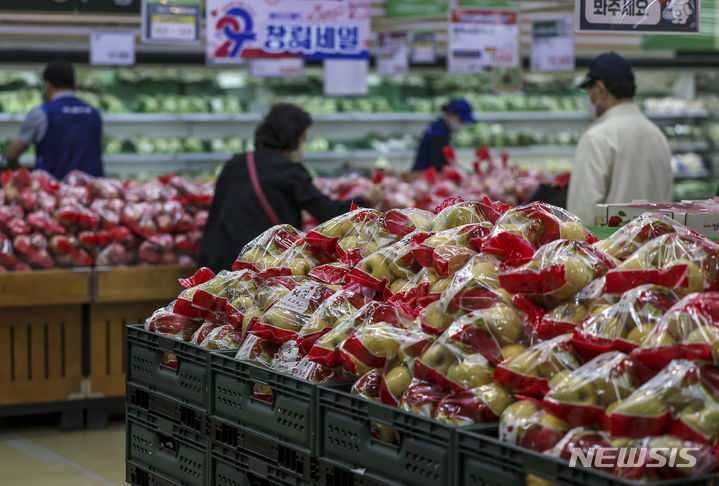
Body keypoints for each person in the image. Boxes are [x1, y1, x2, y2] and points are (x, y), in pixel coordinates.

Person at [199, 103, 380, 272]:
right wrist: (365, 200)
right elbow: (327, 213)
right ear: (295, 137)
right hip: (260, 261)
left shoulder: (235, 163)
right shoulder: (289, 171)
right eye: (303, 138)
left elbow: (215, 213)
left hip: (216, 261)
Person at [567, 52, 673, 225]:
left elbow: (581, 217)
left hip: (609, 250)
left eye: (589, 91)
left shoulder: (596, 138)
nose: (588, 98)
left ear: (600, 89)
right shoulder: (657, 135)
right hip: (655, 246)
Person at [2, 61, 103, 180]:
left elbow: (12, 154)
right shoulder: (93, 112)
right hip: (93, 190)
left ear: (47, 85)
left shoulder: (42, 112)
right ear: (75, 86)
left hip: (55, 192)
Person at [412, 98, 476, 172]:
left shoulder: (438, 127)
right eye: (461, 120)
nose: (462, 125)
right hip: (423, 176)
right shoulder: (439, 135)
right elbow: (440, 165)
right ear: (449, 114)